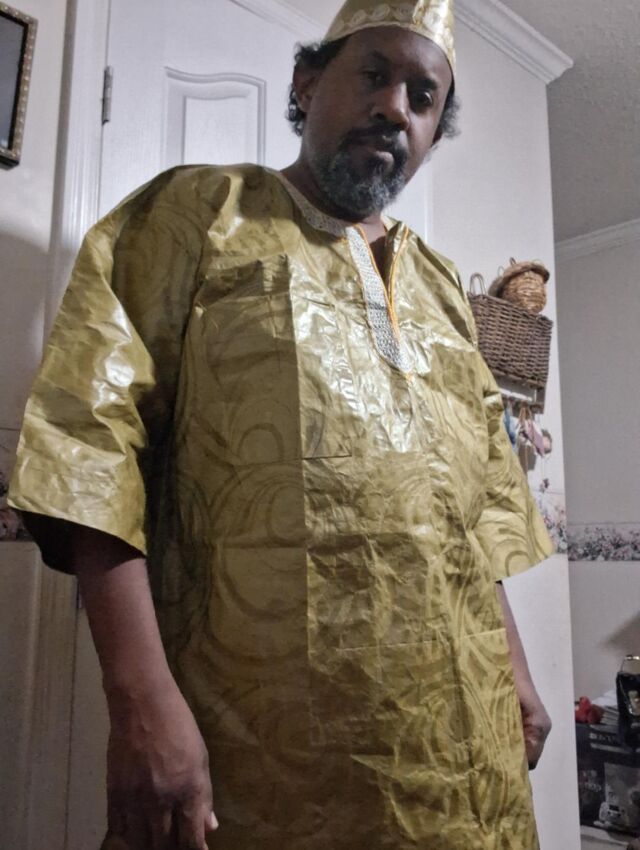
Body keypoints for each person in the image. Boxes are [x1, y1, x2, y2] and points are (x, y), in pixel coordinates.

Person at [9, 0, 555, 847]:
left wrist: (515, 666)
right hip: (264, 756)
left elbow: (479, 499)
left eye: (423, 97)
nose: (395, 108)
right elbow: (89, 445)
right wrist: (138, 700)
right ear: (306, 82)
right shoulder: (197, 215)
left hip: (469, 751)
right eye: (373, 74)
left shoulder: (446, 289)